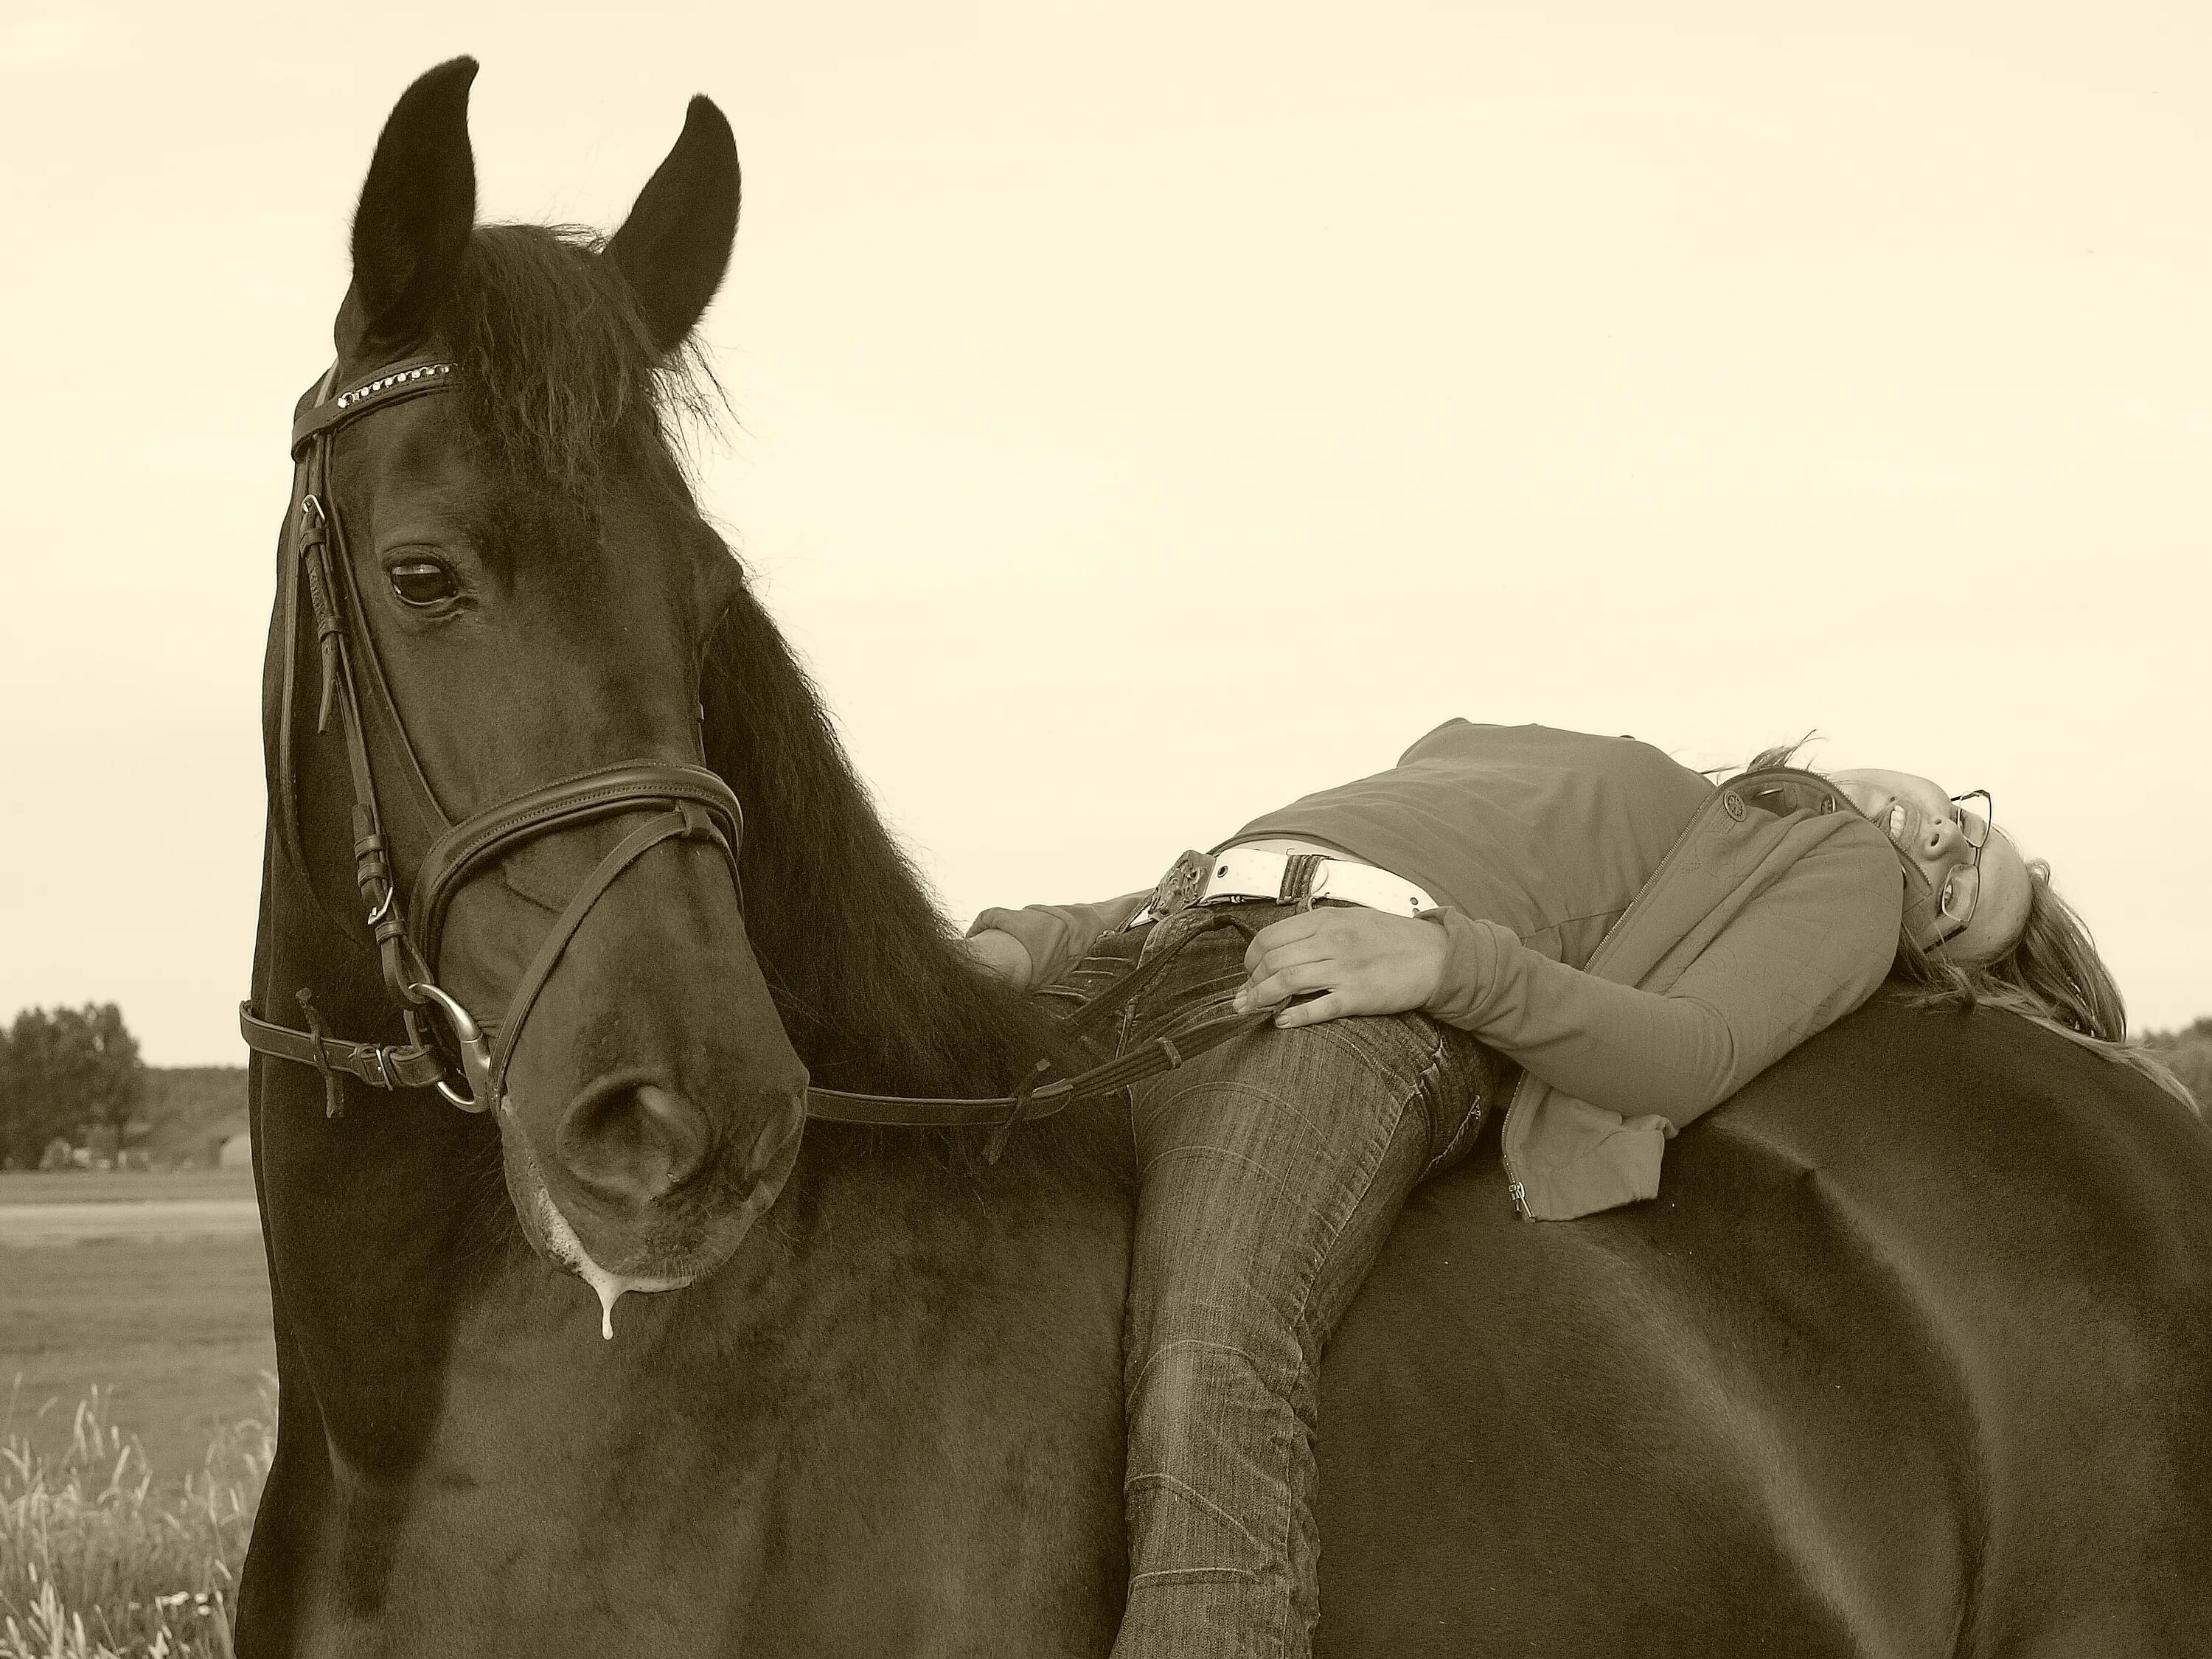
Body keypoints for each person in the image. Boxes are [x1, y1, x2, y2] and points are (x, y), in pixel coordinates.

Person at [958, 720, 2181, 1659]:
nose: (1934, 841)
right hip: (1177, 947)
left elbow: (1685, 1052)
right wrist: (1041, 940)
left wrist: (1446, 960)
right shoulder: (1692, 815)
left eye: (1957, 890)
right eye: (1968, 827)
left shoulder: (1841, 869)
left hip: (1362, 1001)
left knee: (1215, 1334)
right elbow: (1272, 867)